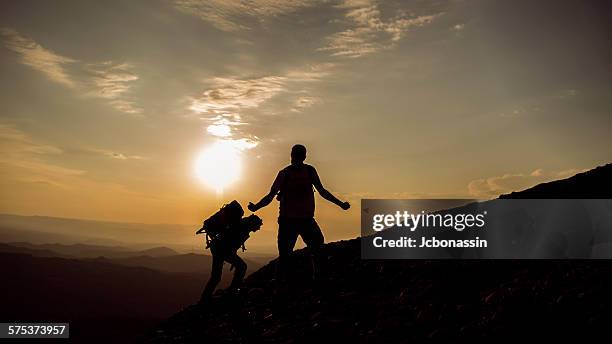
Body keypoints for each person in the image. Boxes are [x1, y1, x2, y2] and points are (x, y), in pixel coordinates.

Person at [248, 144, 350, 281]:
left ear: (291, 155)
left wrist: (256, 207)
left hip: (290, 221)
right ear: (304, 156)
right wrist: (341, 204)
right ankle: (317, 282)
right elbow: (322, 192)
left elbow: (270, 196)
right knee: (316, 250)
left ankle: (281, 288)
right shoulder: (308, 171)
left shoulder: (285, 173)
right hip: (303, 220)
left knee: (286, 256)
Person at [199, 214, 263, 303]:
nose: (259, 228)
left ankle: (205, 298)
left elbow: (231, 243)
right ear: (253, 223)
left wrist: (233, 256)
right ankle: (232, 290)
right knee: (241, 267)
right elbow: (231, 243)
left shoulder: (241, 226)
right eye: (258, 225)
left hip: (217, 247)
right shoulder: (242, 229)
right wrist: (232, 257)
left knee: (216, 276)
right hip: (221, 250)